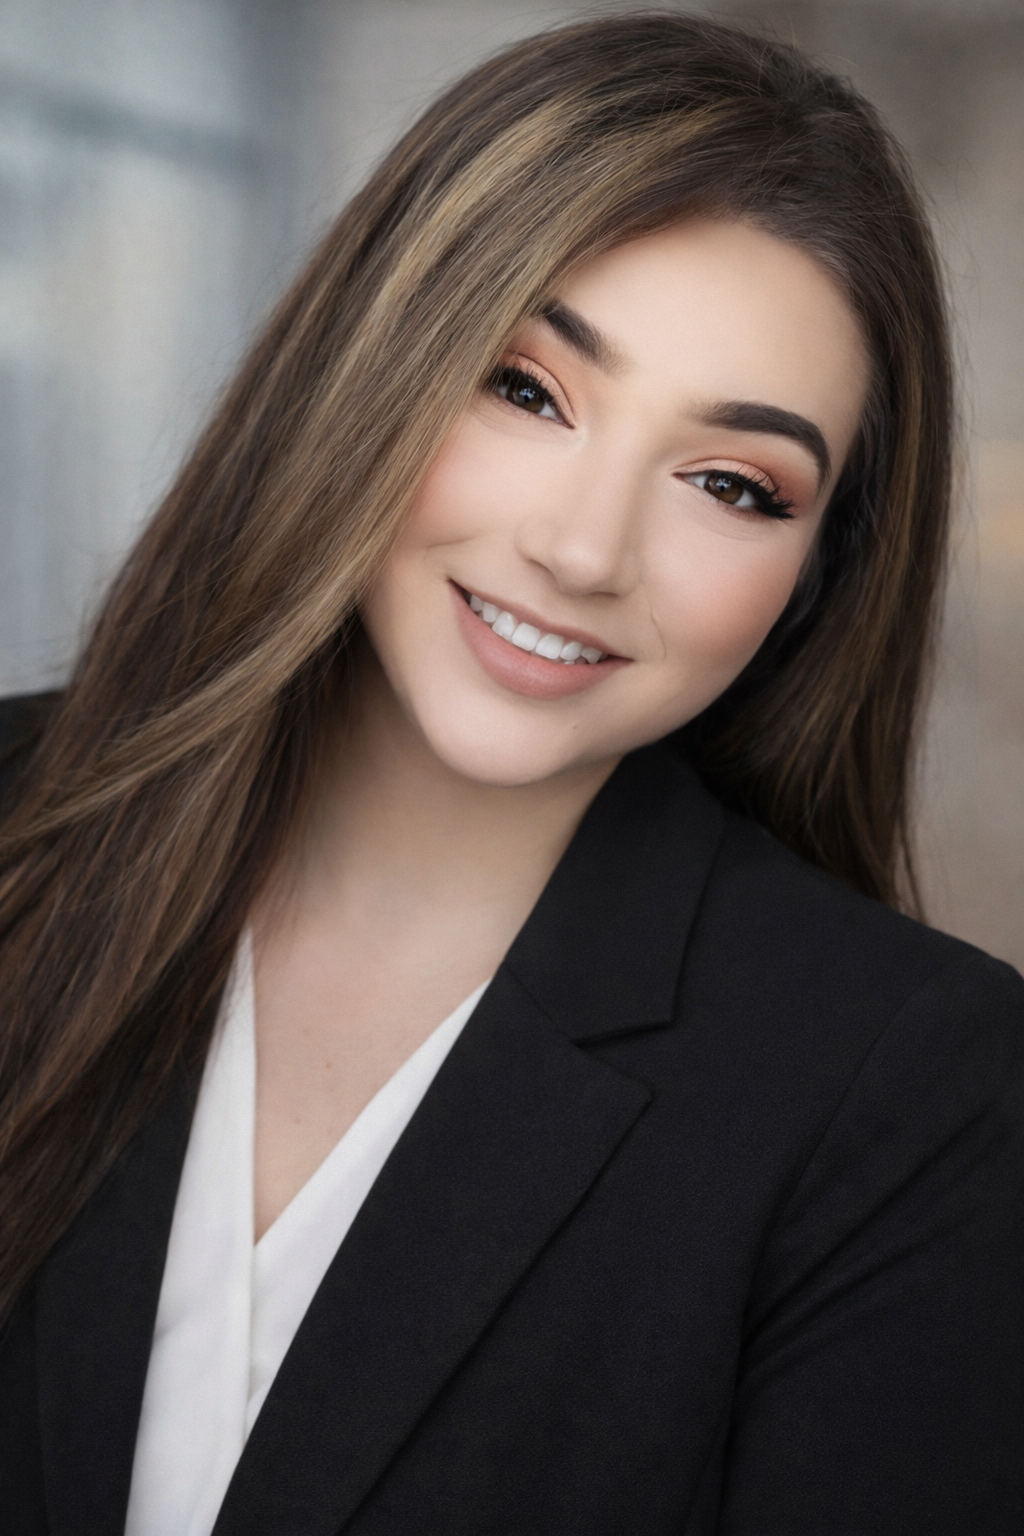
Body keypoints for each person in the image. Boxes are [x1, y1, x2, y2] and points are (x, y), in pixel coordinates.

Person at [0, 14, 1021, 1534]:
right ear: (371, 362)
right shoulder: (20, 829)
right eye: (527, 390)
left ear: (818, 573)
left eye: (732, 484)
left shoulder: (913, 1094)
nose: (584, 549)